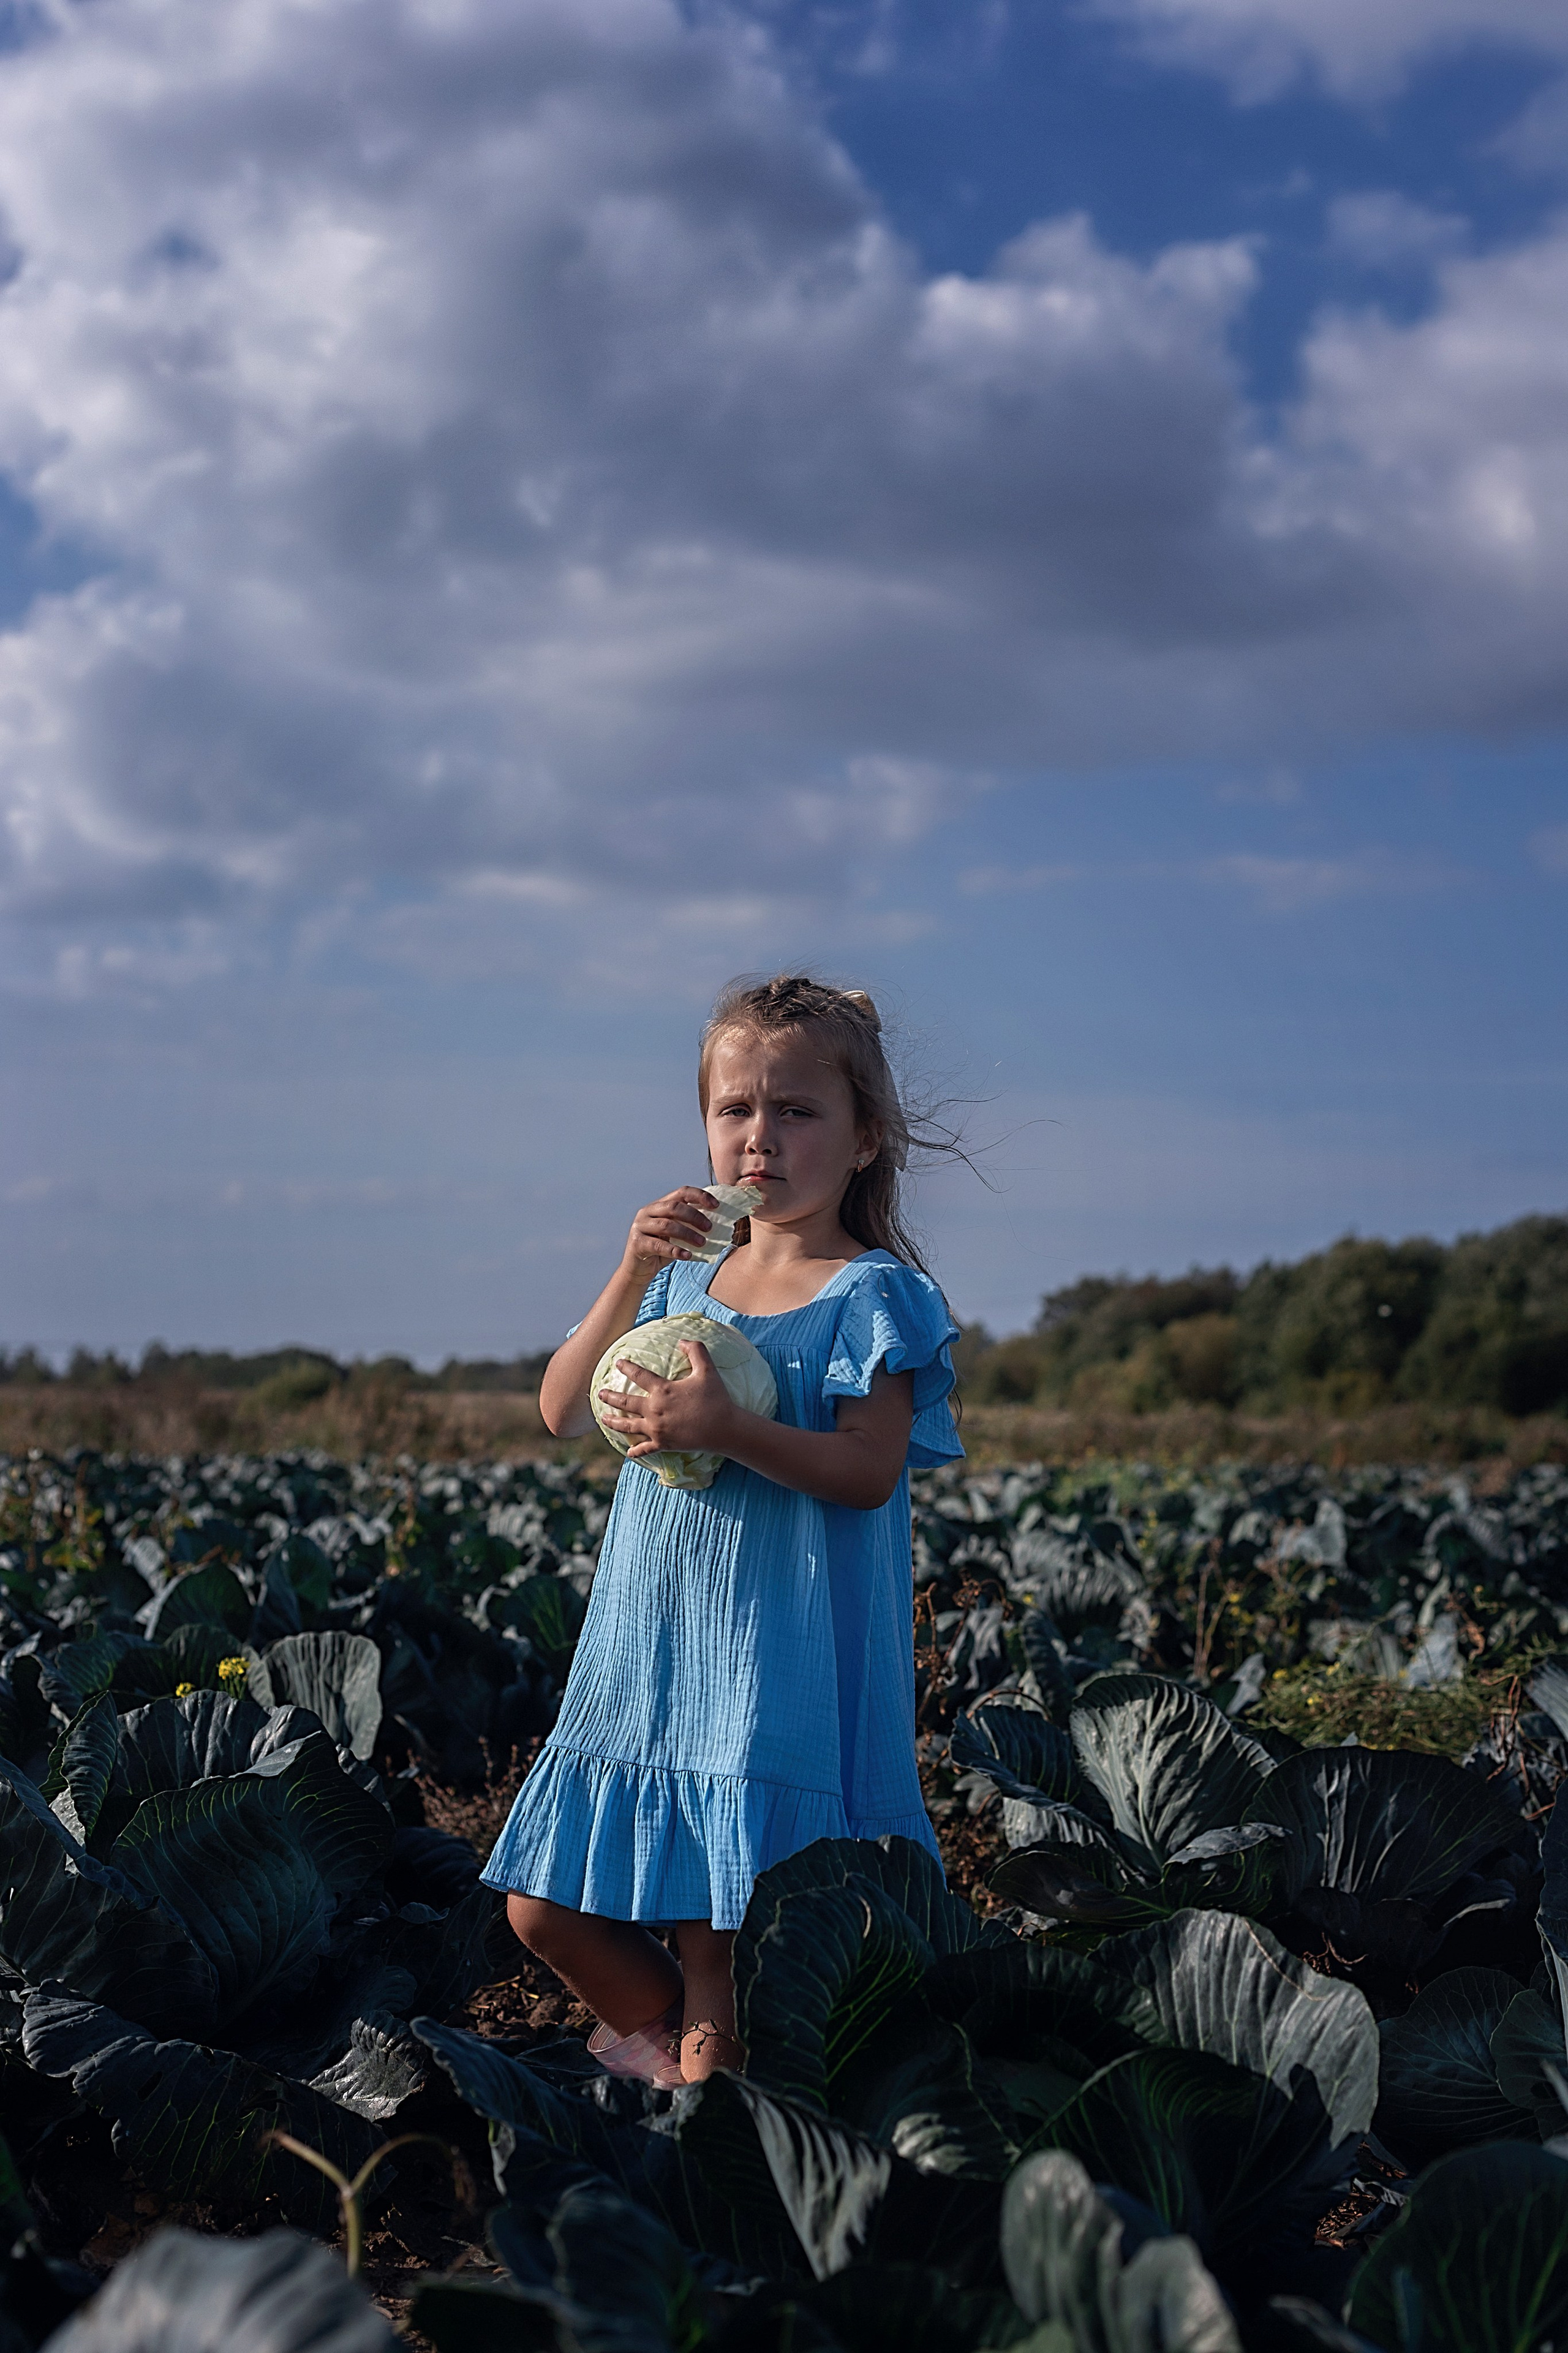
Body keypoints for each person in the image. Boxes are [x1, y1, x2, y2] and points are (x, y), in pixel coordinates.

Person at [480, 973, 963, 2084]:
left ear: (864, 1140)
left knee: (717, 1945)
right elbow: (562, 1407)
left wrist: (731, 1428)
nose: (760, 1137)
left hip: (767, 1673)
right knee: (541, 1910)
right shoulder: (679, 1281)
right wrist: (633, 1266)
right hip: (650, 1656)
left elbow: (867, 1472)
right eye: (735, 1108)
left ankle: (717, 2132)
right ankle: (711, 2083)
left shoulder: (872, 1295)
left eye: (797, 1111)